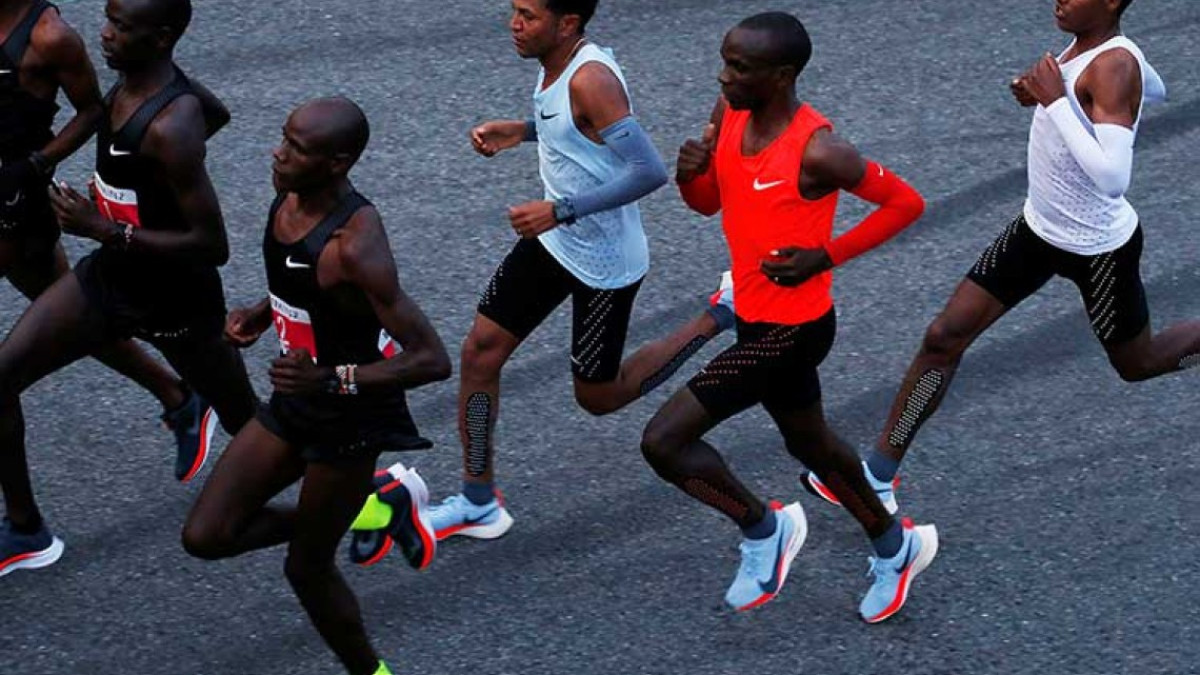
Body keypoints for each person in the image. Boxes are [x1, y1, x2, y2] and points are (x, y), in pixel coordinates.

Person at [373, 0, 737, 548]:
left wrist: (560, 209)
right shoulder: (557, 64)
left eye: (528, 15)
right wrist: (519, 131)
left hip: (605, 263)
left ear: (568, 24)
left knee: (597, 396)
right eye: (514, 10)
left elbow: (649, 171)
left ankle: (718, 315)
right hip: (554, 241)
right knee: (480, 353)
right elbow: (576, 131)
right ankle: (477, 499)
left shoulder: (591, 80)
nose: (514, 24)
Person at [802, 0, 1184, 519]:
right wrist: (1066, 101)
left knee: (1138, 364)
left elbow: (1113, 179)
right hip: (1038, 230)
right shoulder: (1094, 47)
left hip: (1099, 250)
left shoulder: (1114, 64)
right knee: (943, 338)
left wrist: (1054, 102)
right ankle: (878, 476)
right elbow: (1151, 86)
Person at [643, 12, 935, 622]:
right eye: (725, 61)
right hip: (754, 315)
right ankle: (894, 544)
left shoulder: (820, 149)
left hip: (794, 332)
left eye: (740, 68)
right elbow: (707, 204)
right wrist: (688, 172)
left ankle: (762, 529)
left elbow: (905, 203)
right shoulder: (729, 114)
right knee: (812, 444)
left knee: (664, 443)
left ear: (781, 76)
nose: (724, 77)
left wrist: (824, 256)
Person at [182, 97, 451, 675]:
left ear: (337, 162)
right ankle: (378, 508)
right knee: (207, 535)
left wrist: (331, 377)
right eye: (284, 138)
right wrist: (263, 312)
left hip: (350, 418)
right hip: (297, 399)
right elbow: (301, 286)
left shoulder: (355, 246)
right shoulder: (288, 197)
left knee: (307, 568)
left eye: (298, 148)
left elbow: (432, 360)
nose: (278, 153)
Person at [0, 0, 257, 577]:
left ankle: (372, 500)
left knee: (253, 427)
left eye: (120, 27)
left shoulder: (172, 125)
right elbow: (215, 109)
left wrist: (106, 226)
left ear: (161, 37)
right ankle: (25, 530)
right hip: (108, 280)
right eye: (110, 20)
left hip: (175, 302)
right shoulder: (133, 87)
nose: (105, 34)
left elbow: (212, 245)